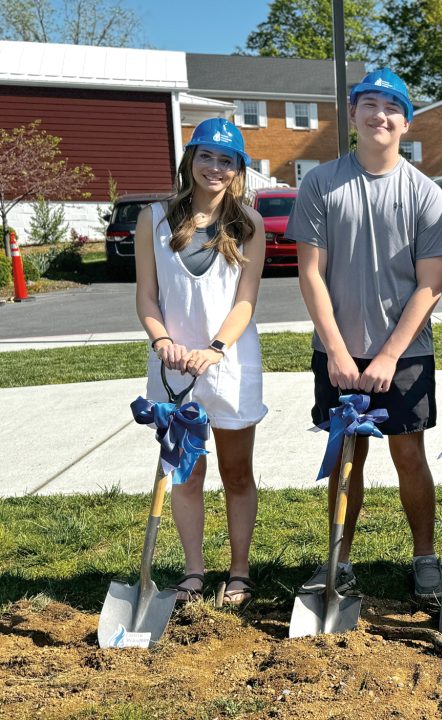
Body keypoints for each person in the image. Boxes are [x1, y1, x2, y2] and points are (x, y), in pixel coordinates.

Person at [287, 69, 442, 602]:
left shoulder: (425, 194)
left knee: (409, 456)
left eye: (392, 107)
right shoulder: (320, 183)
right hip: (338, 351)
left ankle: (424, 556)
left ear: (406, 122)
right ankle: (340, 558)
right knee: (345, 457)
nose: (380, 115)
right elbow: (310, 272)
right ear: (353, 114)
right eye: (370, 104)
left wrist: (387, 355)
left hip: (404, 354)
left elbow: (430, 285)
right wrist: (336, 349)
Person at [135, 117, 267, 605]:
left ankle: (239, 572)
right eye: (206, 156)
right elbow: (147, 298)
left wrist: (215, 349)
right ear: (190, 160)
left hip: (228, 366)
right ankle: (193, 573)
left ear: (238, 170)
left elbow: (246, 302)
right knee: (185, 474)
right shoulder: (153, 219)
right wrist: (162, 340)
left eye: (226, 159)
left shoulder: (249, 224)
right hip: (171, 368)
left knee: (236, 473)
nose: (215, 167)